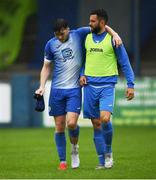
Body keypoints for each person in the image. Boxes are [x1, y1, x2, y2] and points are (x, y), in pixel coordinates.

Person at [35, 18, 122, 170]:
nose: (59, 37)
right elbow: (46, 67)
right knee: (60, 126)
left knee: (72, 123)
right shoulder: (51, 44)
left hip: (74, 89)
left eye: (61, 34)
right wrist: (41, 86)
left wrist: (114, 34)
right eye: (57, 35)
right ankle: (62, 161)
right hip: (56, 90)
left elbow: (100, 26)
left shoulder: (79, 34)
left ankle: (74, 149)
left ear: (68, 29)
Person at [80, 9, 135, 169]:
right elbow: (83, 60)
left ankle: (109, 152)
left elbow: (125, 62)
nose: (89, 23)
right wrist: (82, 73)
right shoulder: (87, 38)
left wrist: (130, 85)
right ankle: (101, 161)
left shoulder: (113, 40)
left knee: (104, 119)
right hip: (89, 86)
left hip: (107, 86)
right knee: (96, 124)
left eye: (92, 21)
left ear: (102, 23)